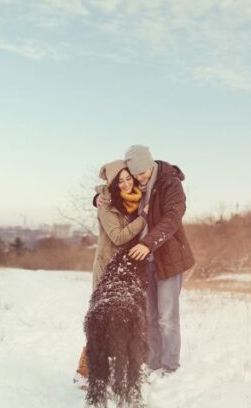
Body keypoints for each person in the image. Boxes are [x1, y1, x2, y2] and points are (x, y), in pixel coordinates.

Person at [75, 160, 148, 384]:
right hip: (107, 268)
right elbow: (117, 237)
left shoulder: (135, 199)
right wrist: (143, 219)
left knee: (127, 323)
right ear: (112, 183)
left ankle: (128, 372)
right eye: (120, 181)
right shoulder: (106, 204)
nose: (126, 184)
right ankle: (85, 372)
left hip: (127, 270)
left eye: (128, 178)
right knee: (100, 322)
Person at [124, 145, 195, 374]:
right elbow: (115, 184)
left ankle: (170, 366)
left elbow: (172, 218)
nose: (138, 178)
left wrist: (147, 243)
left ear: (151, 164)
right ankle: (152, 363)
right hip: (143, 262)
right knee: (149, 317)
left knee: (167, 317)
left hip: (168, 258)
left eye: (142, 173)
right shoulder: (136, 184)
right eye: (134, 175)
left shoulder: (170, 183)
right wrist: (99, 197)